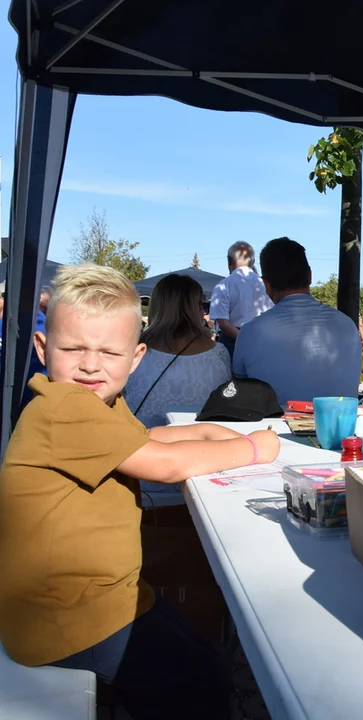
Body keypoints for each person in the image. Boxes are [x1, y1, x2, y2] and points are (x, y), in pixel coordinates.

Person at [0, 264, 281, 720]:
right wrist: (252, 448)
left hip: (101, 596)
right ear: (42, 347)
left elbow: (149, 440)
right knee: (198, 681)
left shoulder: (98, 404)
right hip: (65, 619)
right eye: (73, 349)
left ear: (136, 358)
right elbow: (163, 466)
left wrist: (212, 433)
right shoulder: (65, 408)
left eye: (110, 353)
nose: (91, 365)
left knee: (198, 650)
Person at [232, 238, 362, 403]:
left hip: (275, 427)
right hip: (340, 426)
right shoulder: (348, 326)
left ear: (266, 285)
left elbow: (242, 387)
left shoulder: (250, 332)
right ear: (309, 275)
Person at [125, 273, 232, 436]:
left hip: (139, 445)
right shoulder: (218, 355)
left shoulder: (133, 352)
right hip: (201, 446)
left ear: (157, 306)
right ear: (195, 308)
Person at [208, 241, 273, 358]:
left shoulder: (223, 285)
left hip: (233, 342)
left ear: (229, 260)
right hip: (264, 340)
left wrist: (245, 340)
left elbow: (223, 323)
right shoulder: (266, 284)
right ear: (252, 261)